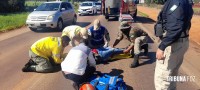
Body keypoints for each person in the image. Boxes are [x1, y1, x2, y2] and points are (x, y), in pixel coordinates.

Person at [154, 0, 193, 89]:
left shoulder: (176, 2)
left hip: (173, 44)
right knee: (171, 75)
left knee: (162, 79)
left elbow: (176, 27)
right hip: (180, 41)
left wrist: (162, 47)